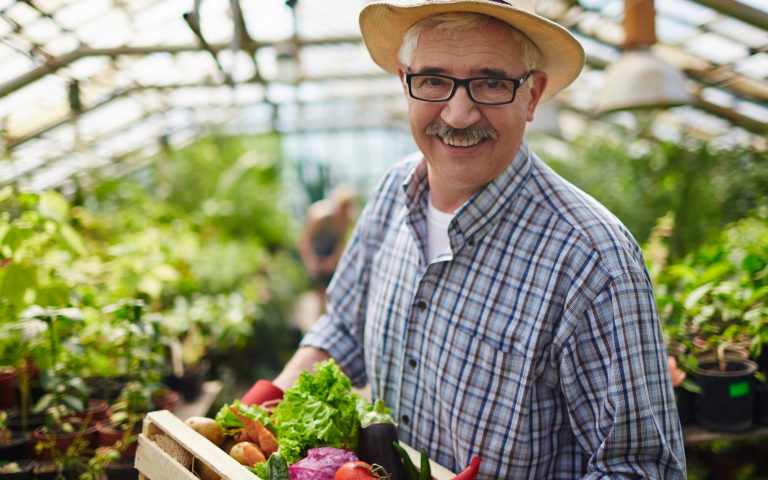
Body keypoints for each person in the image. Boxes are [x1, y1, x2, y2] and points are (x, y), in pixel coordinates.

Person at [243, 1, 686, 478]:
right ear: (405, 83)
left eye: (491, 82)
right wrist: (254, 413)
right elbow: (343, 329)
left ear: (532, 94)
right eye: (434, 79)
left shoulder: (592, 260)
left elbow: (640, 468)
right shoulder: (393, 193)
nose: (457, 114)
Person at [296, 185, 358, 312]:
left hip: (330, 254)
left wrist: (333, 261)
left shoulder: (347, 219)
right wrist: (311, 262)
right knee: (319, 293)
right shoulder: (319, 217)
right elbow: (304, 241)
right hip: (316, 252)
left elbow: (341, 243)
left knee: (332, 291)